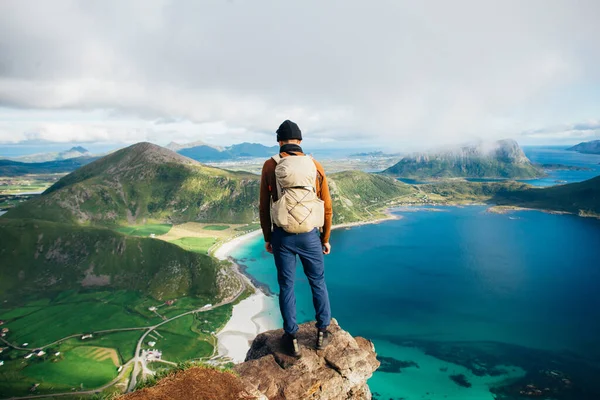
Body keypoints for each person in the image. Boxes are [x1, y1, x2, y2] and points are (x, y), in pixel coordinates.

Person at [259, 120, 333, 357]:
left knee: (287, 286)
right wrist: (325, 237)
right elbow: (327, 206)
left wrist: (268, 237)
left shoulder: (270, 166)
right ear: (300, 141)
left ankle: (291, 337)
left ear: (280, 142)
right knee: (317, 281)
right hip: (310, 236)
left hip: (282, 236)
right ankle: (322, 331)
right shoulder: (315, 165)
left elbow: (264, 206)